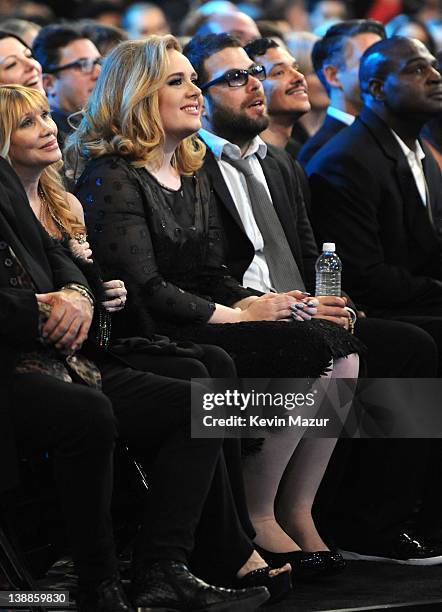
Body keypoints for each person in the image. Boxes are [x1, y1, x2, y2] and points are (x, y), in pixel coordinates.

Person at [66, 34, 360, 580]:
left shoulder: (190, 165)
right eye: (177, 81)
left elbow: (209, 272)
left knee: (339, 345)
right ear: (138, 95)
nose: (193, 91)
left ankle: (288, 510)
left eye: (193, 81)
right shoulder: (111, 175)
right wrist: (242, 316)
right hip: (144, 331)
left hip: (197, 315)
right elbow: (145, 287)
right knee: (287, 351)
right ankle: (250, 518)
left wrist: (264, 300)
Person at [0, 85, 274, 612]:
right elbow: (146, 286)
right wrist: (55, 304)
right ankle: (108, 577)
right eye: (27, 122)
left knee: (213, 391)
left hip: (86, 348)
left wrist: (81, 294)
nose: (47, 126)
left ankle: (173, 564)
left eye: (45, 115)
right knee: (198, 370)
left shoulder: (52, 195)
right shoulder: (110, 178)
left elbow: (62, 264)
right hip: (35, 357)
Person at [245, 35, 442, 564]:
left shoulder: (284, 163)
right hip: (251, 317)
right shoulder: (343, 157)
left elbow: (315, 254)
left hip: (320, 305)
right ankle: (368, 518)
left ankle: (403, 511)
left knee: (378, 340)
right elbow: (369, 273)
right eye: (418, 68)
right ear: (371, 86)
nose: (435, 76)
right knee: (411, 345)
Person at [297, 19, 385, 166]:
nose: (384, 70)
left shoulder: (397, 134)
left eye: (386, 60)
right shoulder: (320, 151)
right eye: (369, 61)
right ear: (333, 75)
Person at [32, 24, 102, 147]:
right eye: (83, 65)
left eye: (97, 62)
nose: (99, 73)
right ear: (49, 83)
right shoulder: (48, 140)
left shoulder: (106, 125)